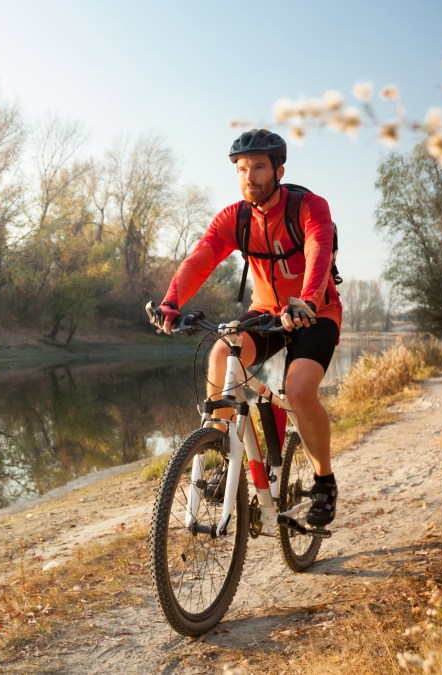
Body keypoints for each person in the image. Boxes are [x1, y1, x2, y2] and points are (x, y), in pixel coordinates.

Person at [150, 128, 343, 527]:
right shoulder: (235, 219)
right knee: (222, 353)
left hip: (315, 312)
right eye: (241, 168)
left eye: (258, 167)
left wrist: (307, 299)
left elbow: (318, 249)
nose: (249, 176)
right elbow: (201, 259)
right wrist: (172, 302)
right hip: (267, 312)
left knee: (299, 389)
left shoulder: (309, 207)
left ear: (279, 170)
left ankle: (324, 480)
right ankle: (222, 450)